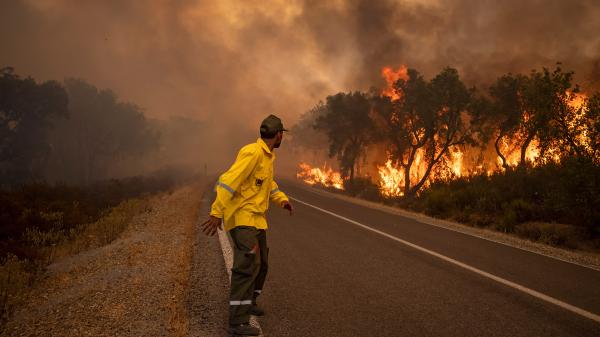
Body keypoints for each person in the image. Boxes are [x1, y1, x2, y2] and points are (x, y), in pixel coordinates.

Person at [201, 114, 293, 336]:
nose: (283, 138)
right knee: (246, 266)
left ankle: (249, 301)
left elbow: (268, 184)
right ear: (279, 135)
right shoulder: (252, 152)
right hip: (242, 217)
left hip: (257, 218)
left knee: (262, 263)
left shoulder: (268, 156)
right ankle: (237, 322)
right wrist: (216, 212)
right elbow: (228, 181)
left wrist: (282, 200)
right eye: (283, 135)